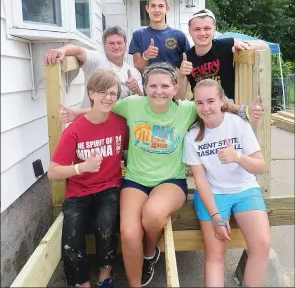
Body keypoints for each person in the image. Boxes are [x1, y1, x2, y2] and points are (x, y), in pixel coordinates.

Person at [59, 62, 263, 287]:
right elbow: (102, 107)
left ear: (175, 88)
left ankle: (149, 253)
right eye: (153, 85)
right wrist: (75, 113)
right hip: (136, 179)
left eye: (165, 85)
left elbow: (215, 106)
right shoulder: (132, 105)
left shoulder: (187, 109)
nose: (159, 90)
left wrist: (244, 111)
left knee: (153, 214)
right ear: (145, 88)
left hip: (170, 180)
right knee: (128, 232)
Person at [183, 79, 270, 287]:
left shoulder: (238, 123)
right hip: (213, 195)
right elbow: (200, 180)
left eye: (211, 101)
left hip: (245, 190)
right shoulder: (193, 136)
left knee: (262, 245)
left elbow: (260, 166)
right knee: (215, 254)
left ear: (222, 100)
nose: (205, 108)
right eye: (200, 102)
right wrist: (216, 217)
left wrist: (237, 157)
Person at [47, 70, 128, 288]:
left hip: (110, 187)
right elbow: (53, 172)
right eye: (102, 92)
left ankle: (105, 276)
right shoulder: (74, 130)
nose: (108, 98)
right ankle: (81, 283)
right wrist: (82, 167)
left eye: (113, 93)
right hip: (79, 192)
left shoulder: (121, 123)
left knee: (106, 225)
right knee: (71, 239)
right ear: (91, 93)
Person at [176, 8, 270, 100]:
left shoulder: (225, 45)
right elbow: (179, 97)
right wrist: (181, 75)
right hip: (202, 109)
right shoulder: (185, 58)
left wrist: (244, 46)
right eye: (197, 29)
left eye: (207, 28)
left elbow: (264, 46)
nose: (202, 33)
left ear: (214, 30)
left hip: (228, 108)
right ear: (190, 31)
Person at [44, 26, 144, 108]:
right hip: (89, 121)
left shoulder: (133, 72)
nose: (116, 46)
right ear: (104, 46)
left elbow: (141, 102)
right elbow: (77, 50)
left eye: (119, 43)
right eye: (111, 43)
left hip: (117, 126)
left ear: (125, 45)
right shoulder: (97, 60)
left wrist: (135, 89)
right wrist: (63, 51)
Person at [129, 0, 191, 73]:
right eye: (153, 6)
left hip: (172, 85)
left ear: (167, 9)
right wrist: (145, 56)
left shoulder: (179, 36)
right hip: (149, 85)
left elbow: (188, 68)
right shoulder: (138, 35)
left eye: (161, 6)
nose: (156, 10)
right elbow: (137, 70)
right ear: (147, 8)